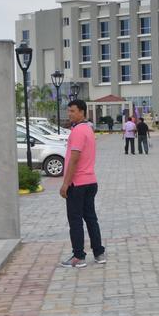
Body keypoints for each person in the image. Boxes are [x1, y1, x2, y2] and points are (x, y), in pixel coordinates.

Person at [60, 99, 106, 268]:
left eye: (72, 111)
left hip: (78, 183)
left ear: (82, 112)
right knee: (91, 218)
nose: (69, 114)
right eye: (69, 111)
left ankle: (78, 256)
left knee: (75, 220)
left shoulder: (78, 131)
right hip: (90, 181)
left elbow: (74, 159)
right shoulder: (88, 129)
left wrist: (66, 183)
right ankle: (99, 253)